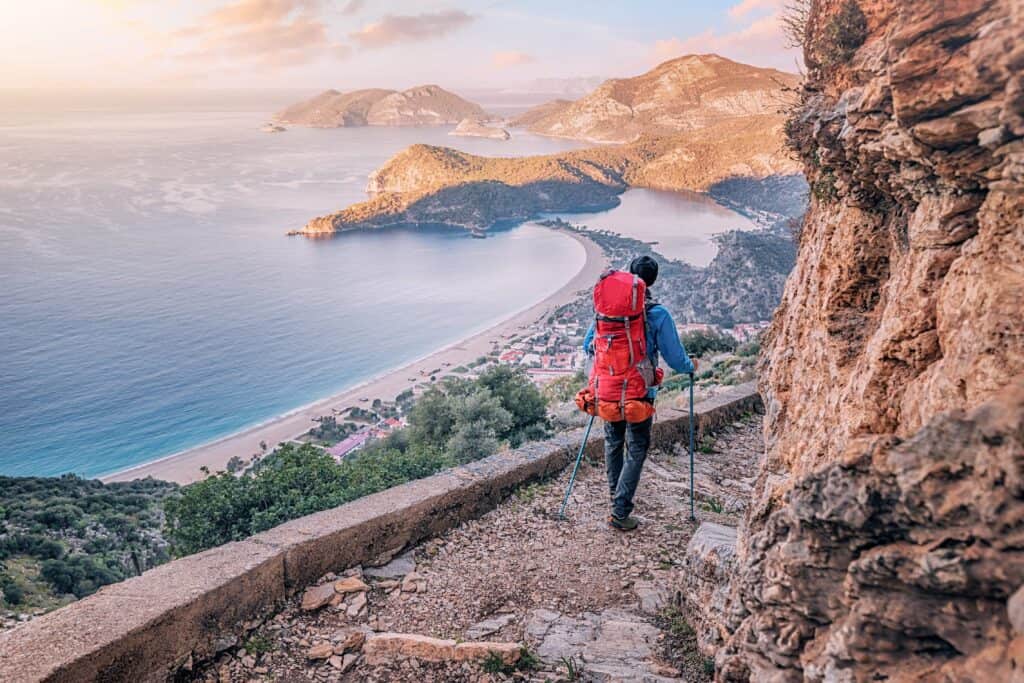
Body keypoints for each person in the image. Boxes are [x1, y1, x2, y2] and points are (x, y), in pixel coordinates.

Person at [582, 255, 697, 531]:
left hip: (608, 391)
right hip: (638, 392)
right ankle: (620, 510)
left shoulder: (607, 311)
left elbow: (589, 345)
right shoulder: (658, 314)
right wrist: (691, 366)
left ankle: (616, 498)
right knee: (636, 447)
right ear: (652, 281)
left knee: (612, 442)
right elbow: (675, 358)